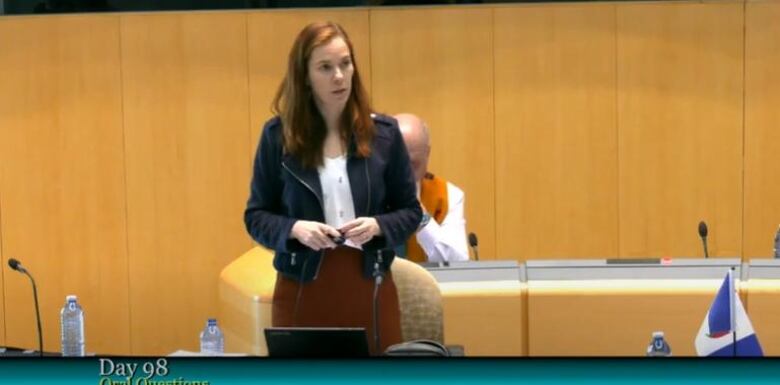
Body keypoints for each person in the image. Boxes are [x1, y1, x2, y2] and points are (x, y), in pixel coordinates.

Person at [244, 22, 422, 354]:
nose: (339, 76)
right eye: (325, 67)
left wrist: (379, 225)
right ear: (305, 77)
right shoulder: (276, 138)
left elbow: (411, 212)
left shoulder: (383, 134)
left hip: (370, 285)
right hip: (301, 288)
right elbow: (256, 217)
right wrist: (295, 228)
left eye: (345, 63)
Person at [394, 113, 469, 263]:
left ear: (427, 154)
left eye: (413, 164)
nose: (404, 174)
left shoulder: (447, 195)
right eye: (396, 163)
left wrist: (421, 217)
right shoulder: (362, 190)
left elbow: (457, 263)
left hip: (428, 284)